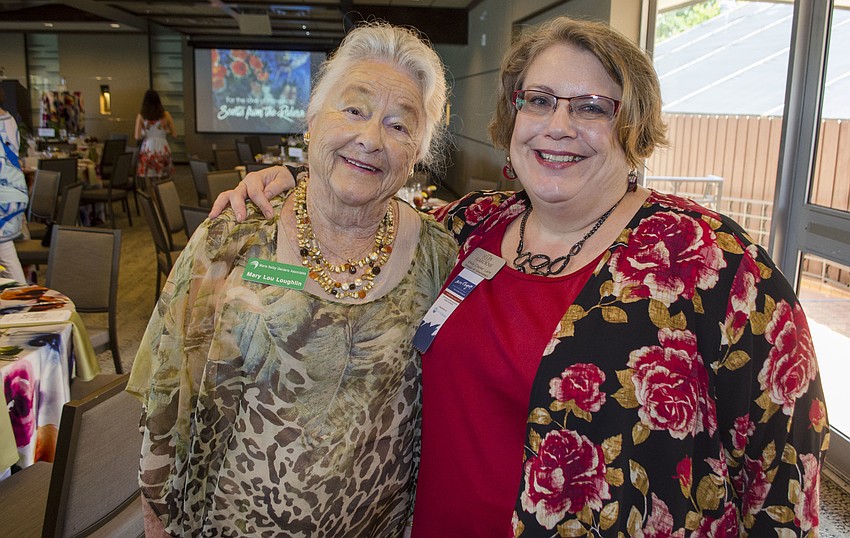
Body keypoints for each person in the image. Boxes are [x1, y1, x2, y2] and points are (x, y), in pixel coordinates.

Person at [214, 16, 828, 537]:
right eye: (539, 100)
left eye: (591, 107)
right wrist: (301, 186)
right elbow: (366, 211)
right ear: (514, 120)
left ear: (633, 126)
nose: (558, 126)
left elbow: (784, 467)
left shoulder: (713, 262)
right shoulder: (469, 226)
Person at [127, 23, 456, 537]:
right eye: (353, 109)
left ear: (418, 151)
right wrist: (156, 519)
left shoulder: (441, 257)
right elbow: (167, 394)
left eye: (398, 125)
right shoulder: (233, 237)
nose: (369, 139)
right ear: (311, 119)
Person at [0, 87, 29, 284]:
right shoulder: (8, 118)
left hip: (3, 197)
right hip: (15, 192)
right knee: (7, 254)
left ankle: (23, 304)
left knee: (7, 256)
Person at [134, 89, 176, 185]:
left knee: (149, 176)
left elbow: (137, 136)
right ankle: (162, 196)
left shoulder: (142, 116)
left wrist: (146, 131)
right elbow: (174, 134)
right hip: (162, 146)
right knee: (163, 178)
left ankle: (152, 197)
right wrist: (163, 132)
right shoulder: (166, 115)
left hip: (148, 147)